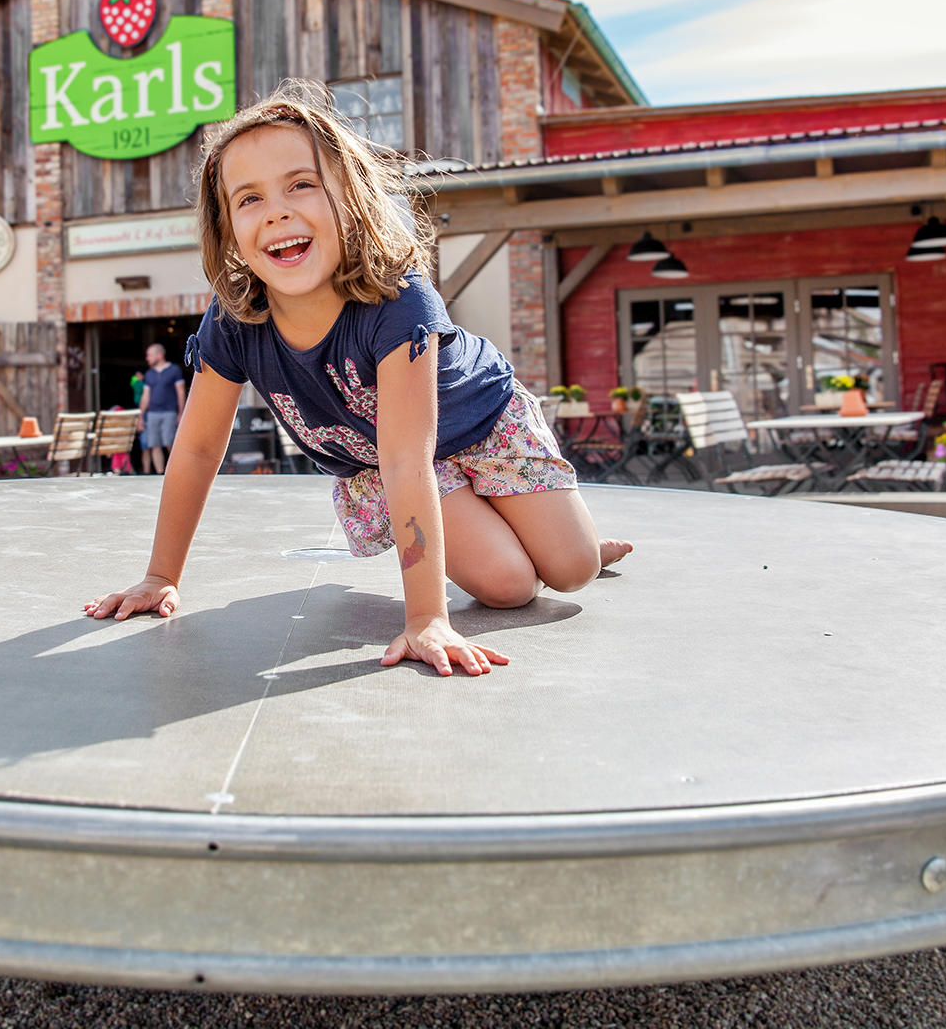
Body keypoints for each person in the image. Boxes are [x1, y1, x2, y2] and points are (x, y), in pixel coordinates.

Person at [88, 81, 631, 677]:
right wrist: (161, 576)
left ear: (349, 194)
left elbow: (410, 458)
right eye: (249, 199)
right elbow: (194, 449)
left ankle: (572, 539)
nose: (277, 210)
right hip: (387, 462)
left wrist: (426, 618)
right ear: (229, 229)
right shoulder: (236, 317)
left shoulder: (395, 299)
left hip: (478, 424)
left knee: (572, 572)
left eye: (301, 184)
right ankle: (527, 530)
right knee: (508, 587)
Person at [137, 342, 185, 474]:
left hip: (169, 412)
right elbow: (146, 396)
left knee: (170, 443)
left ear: (159, 355)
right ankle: (160, 473)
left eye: (150, 355)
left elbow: (180, 392)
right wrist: (140, 417)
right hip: (152, 414)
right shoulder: (149, 374)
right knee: (154, 445)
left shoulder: (174, 370)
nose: (147, 358)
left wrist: (181, 413)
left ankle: (177, 472)